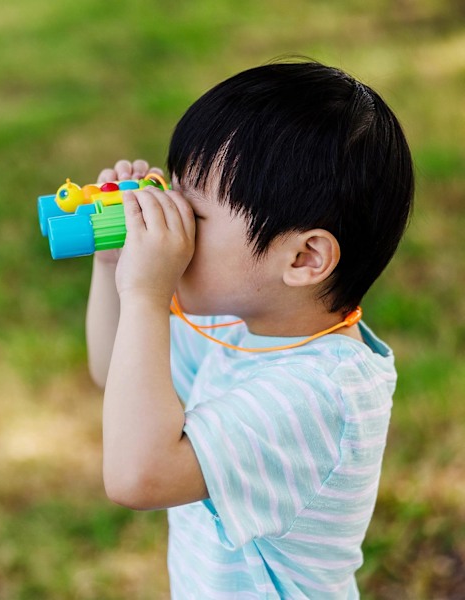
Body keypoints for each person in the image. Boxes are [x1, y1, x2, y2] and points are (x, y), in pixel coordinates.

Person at [85, 61, 414, 599]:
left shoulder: (316, 394)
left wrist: (146, 296)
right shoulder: (242, 328)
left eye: (195, 214)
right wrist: (111, 265)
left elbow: (137, 475)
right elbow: (110, 372)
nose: (175, 226)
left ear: (305, 258)